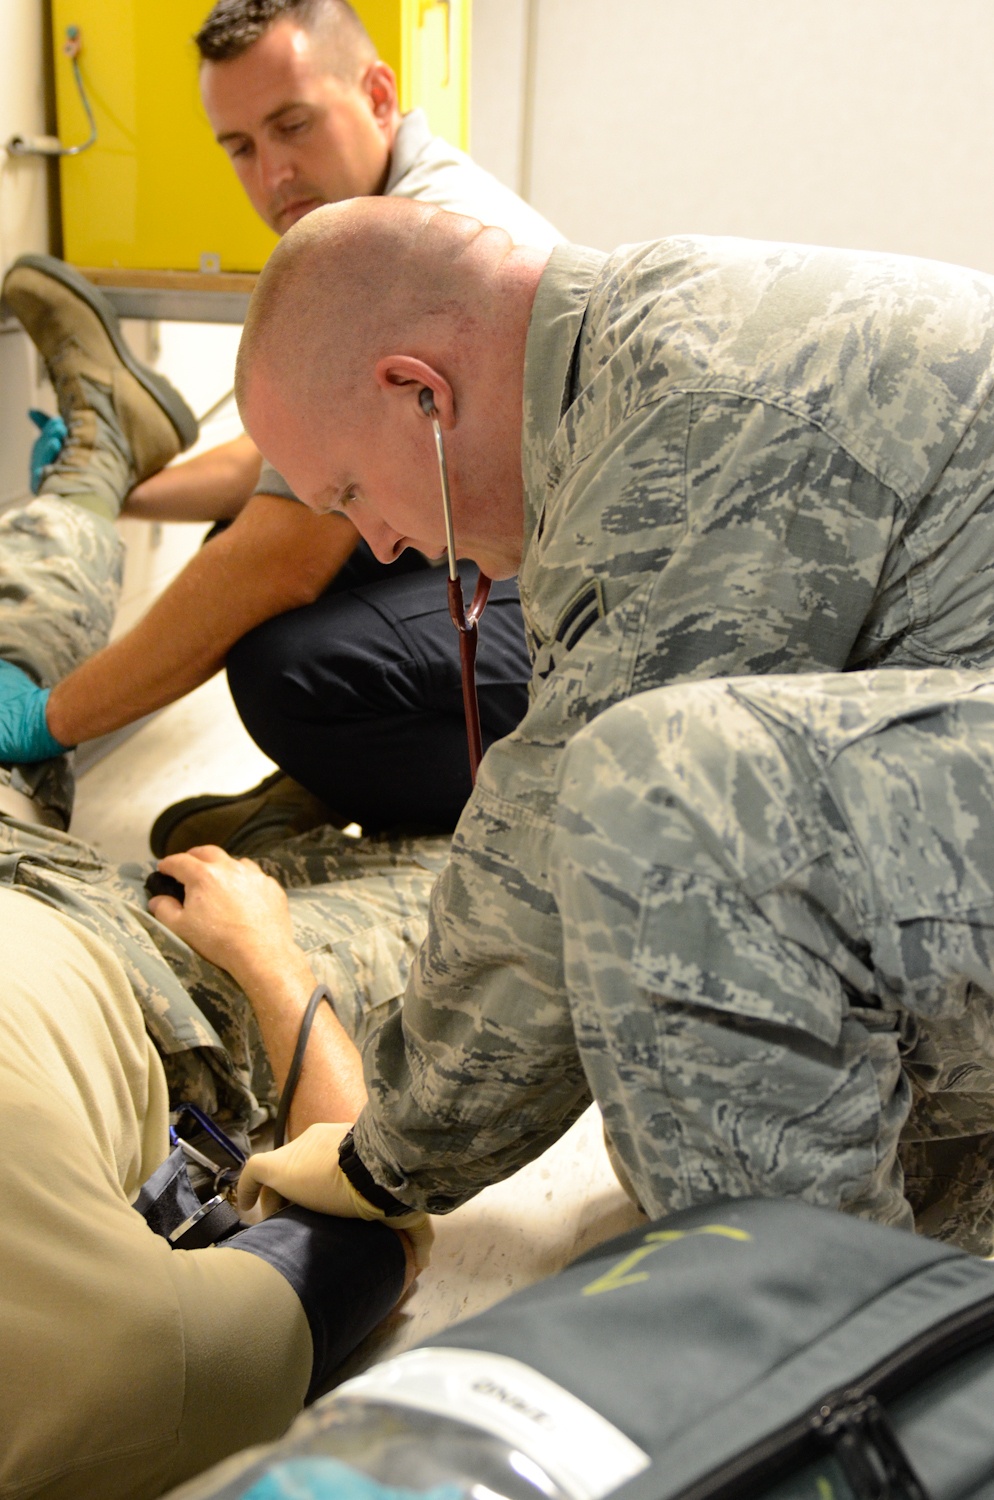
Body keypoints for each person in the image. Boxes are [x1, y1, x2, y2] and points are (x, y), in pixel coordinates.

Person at [218, 197, 994, 1257]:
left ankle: (831, 1362)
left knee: (655, 793)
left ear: (421, 396)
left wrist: (384, 1152)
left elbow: (548, 853)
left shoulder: (687, 424)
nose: (383, 544)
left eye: (352, 493)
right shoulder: (641, 344)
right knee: (679, 1096)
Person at [0, 361, 446, 1498]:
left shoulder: (119, 1383)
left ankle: (107, 449)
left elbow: (364, 1232)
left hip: (129, 973)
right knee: (505, 913)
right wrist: (267, 955)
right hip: (156, 985)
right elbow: (366, 1205)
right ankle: (100, 456)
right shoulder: (120, 1377)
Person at [0, 0, 561, 849]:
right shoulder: (367, 221)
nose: (272, 175)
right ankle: (318, 786)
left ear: (378, 95)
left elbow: (280, 560)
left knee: (288, 670)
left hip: (581, 616)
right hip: (514, 560)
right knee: (240, 543)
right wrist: (130, 491)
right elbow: (293, 474)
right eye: (241, 146)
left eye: (292, 126)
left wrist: (51, 716)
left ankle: (458, 830)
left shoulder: (417, 245)